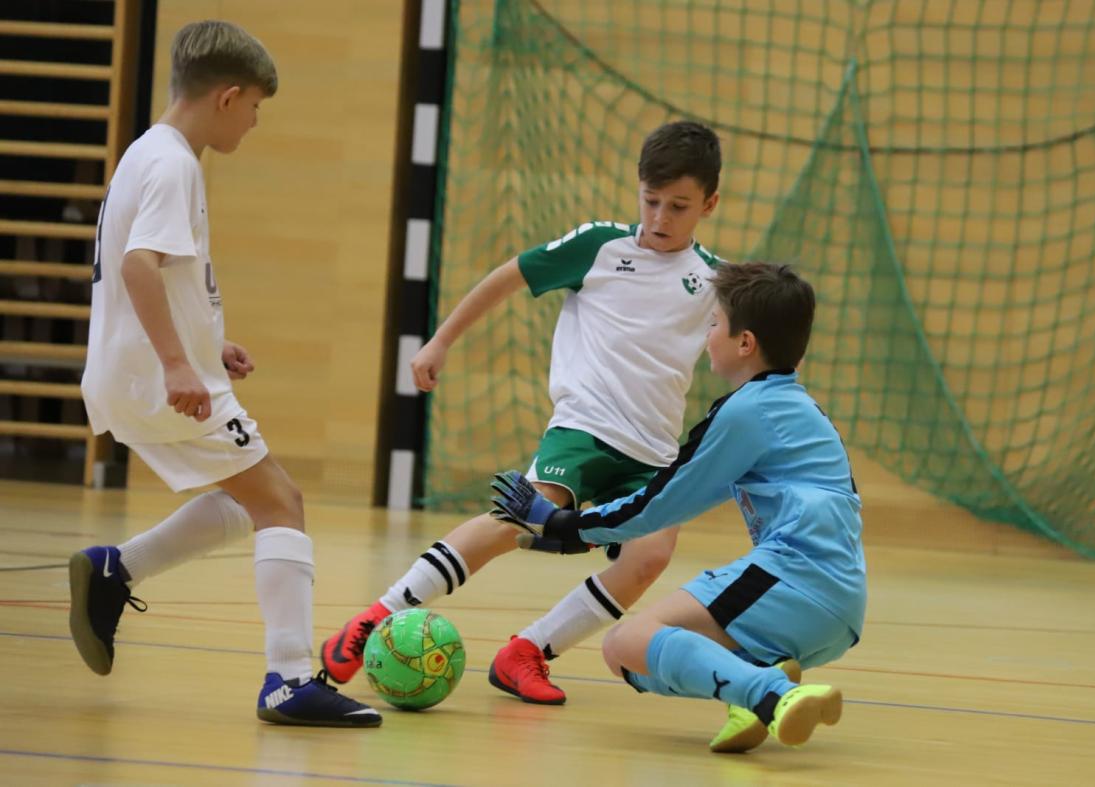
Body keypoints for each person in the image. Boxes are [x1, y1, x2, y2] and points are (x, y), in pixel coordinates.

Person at [321, 121, 724, 706]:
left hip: (655, 451)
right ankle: (374, 616)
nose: (660, 218)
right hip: (584, 428)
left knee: (650, 556)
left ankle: (527, 652)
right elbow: (506, 277)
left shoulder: (714, 278)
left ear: (709, 204)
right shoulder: (600, 247)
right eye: (651, 200)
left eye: (679, 206)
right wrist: (439, 342)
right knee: (519, 517)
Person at [70, 20, 380, 727]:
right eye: (256, 108)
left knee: (250, 500)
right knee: (282, 501)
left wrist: (209, 346)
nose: (256, 121)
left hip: (140, 371)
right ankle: (290, 678)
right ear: (228, 97)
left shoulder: (151, 152)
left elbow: (159, 276)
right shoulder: (175, 163)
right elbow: (137, 267)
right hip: (156, 376)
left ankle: (116, 571)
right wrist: (181, 362)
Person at [491, 261, 865, 753]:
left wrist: (561, 522)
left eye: (714, 324)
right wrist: (575, 529)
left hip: (795, 578)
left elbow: (661, 501)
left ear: (745, 343)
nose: (708, 335)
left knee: (625, 643)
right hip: (842, 605)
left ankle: (772, 695)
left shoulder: (747, 411)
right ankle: (753, 683)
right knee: (632, 660)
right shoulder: (798, 409)